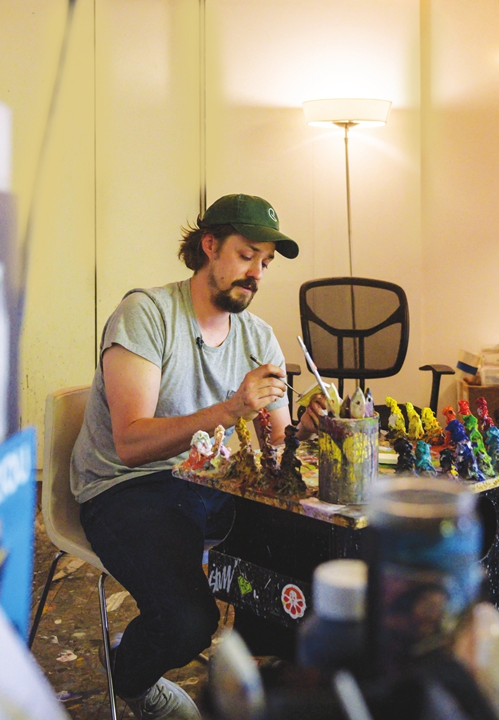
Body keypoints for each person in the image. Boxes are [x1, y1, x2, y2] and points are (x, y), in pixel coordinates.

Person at [70, 194, 324, 719]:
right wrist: (232, 409)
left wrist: (305, 427)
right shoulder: (148, 314)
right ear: (209, 246)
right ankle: (132, 677)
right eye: (247, 255)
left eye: (266, 263)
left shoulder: (258, 337)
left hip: (210, 485)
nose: (256, 273)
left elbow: (276, 443)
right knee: (186, 620)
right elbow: (131, 443)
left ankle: (265, 679)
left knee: (306, 555)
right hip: (124, 487)